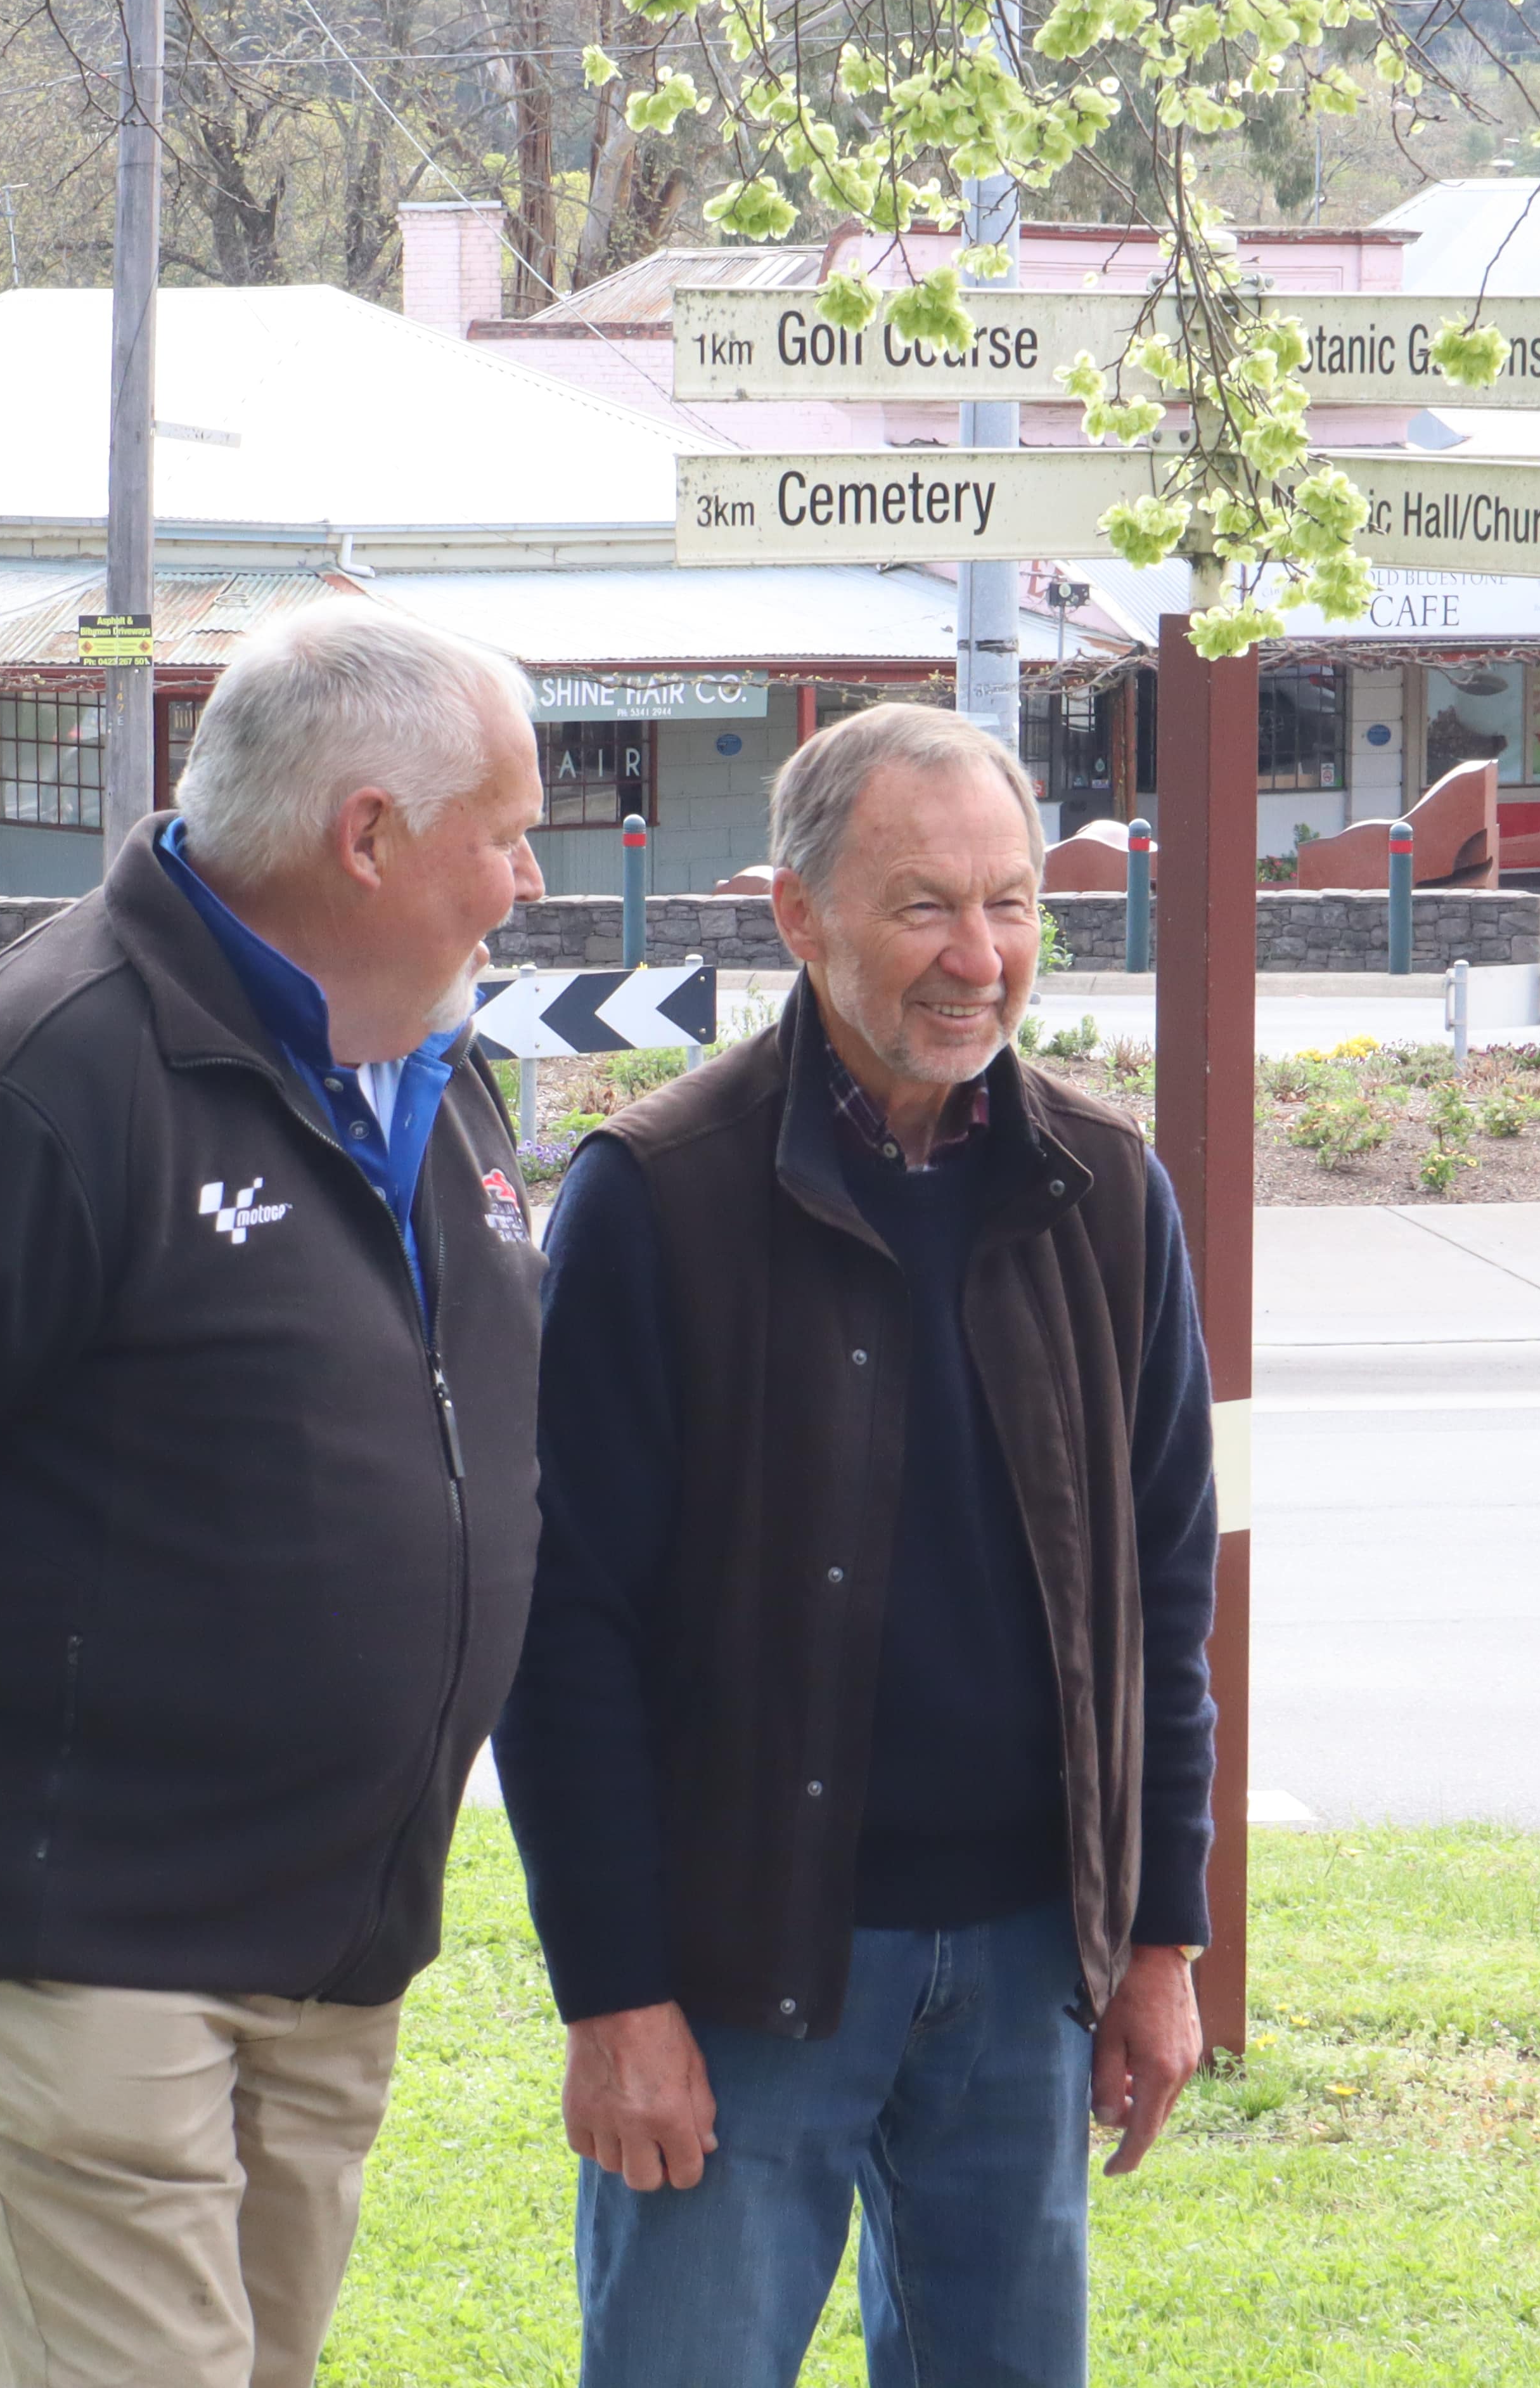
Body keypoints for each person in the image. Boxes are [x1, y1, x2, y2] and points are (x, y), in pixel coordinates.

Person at [0, 605, 551, 2388]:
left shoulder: (433, 1071)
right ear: (366, 838)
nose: (529, 883)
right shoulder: (42, 1069)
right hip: (68, 1946)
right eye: (507, 835)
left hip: (327, 1942)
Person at [494, 700, 1218, 2388]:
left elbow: (1163, 1594)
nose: (980, 956)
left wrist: (1160, 1941)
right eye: (924, 907)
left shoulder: (1107, 1188)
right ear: (799, 917)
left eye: (1011, 903)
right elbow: (561, 1629)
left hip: (1030, 1960)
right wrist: (615, 1996)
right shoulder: (657, 1195)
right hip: (739, 1964)